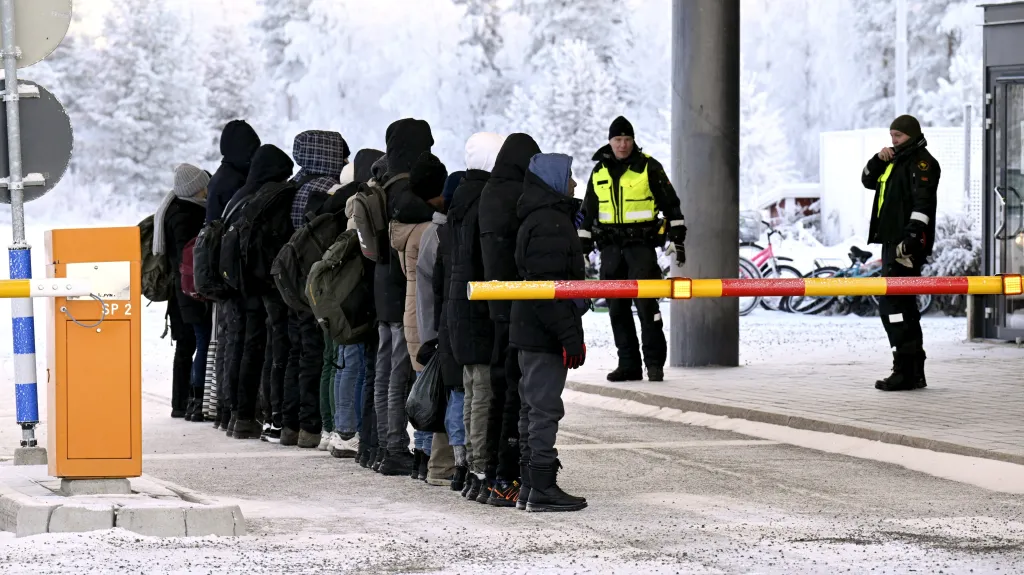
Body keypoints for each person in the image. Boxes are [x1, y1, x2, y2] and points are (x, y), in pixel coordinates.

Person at [579, 116, 686, 383]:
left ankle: (654, 365)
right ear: (610, 141)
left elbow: (671, 205)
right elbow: (587, 212)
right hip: (611, 250)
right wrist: (581, 245)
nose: (623, 144)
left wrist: (677, 237)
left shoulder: (649, 167)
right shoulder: (600, 171)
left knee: (648, 306)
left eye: (627, 139)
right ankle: (628, 365)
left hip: (641, 248)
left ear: (633, 140)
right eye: (618, 139)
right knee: (617, 310)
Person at [512, 152, 588, 513]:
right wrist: (569, 336)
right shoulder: (551, 224)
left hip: (530, 328)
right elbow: (550, 290)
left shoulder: (538, 218)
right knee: (543, 409)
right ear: (554, 181)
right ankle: (540, 486)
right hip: (543, 332)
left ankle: (531, 485)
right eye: (570, 176)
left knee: (532, 408)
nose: (574, 183)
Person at [479, 133, 541, 507]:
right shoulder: (518, 198)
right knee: (513, 395)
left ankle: (490, 473)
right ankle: (507, 475)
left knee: (496, 391)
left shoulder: (489, 193)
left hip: (492, 304)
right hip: (517, 306)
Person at [447, 131, 506, 503]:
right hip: (480, 305)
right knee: (482, 390)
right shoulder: (486, 200)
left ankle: (471, 465)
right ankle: (482, 468)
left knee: (471, 389)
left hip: (459, 306)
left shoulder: (460, 197)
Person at [861, 114, 939, 392]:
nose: (893, 140)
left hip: (906, 245)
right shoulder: (894, 160)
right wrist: (877, 160)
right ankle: (911, 370)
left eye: (899, 136)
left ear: (912, 135)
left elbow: (923, 203)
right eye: (891, 135)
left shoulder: (922, 163)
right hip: (892, 242)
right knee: (901, 306)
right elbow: (868, 181)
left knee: (894, 306)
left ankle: (907, 369)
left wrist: (911, 240)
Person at [374, 119, 434, 476]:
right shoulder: (404, 185)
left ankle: (383, 445)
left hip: (383, 286)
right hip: (401, 289)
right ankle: (394, 447)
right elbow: (417, 214)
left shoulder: (381, 176)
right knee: (400, 374)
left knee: (385, 372)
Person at [284, 130, 350, 448]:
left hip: (293, 282)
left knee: (299, 353)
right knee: (318, 355)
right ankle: (311, 425)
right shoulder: (325, 188)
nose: (344, 162)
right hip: (316, 283)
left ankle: (292, 423)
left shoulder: (297, 184)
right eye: (341, 155)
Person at [226, 145, 296, 440]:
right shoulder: (273, 197)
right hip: (261, 284)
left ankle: (235, 416)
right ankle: (245, 416)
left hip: (237, 281)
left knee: (239, 346)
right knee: (257, 349)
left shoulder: (241, 196)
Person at [390, 151, 449, 480]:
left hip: (412, 306)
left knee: (423, 383)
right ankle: (425, 456)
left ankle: (421, 458)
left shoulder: (403, 224)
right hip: (424, 310)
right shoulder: (429, 228)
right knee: (432, 388)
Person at [205, 120, 261, 430]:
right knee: (236, 340)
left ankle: (225, 409)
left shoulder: (221, 177)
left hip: (221, 269)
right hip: (234, 271)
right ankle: (230, 409)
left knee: (227, 340)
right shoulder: (235, 181)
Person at [154, 164, 211, 419]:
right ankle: (190, 402)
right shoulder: (187, 215)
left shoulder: (171, 209)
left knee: (185, 345)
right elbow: (188, 257)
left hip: (179, 291)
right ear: (196, 189)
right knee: (195, 343)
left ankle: (180, 404)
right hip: (189, 290)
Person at [417, 170, 463, 487]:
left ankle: (426, 459)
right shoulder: (442, 235)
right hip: (438, 325)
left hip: (428, 323)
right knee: (445, 395)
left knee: (434, 394)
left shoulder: (431, 232)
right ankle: (439, 464)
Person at [433, 171, 470, 491]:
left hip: (446, 320)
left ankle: (457, 461)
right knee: (471, 393)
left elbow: (435, 286)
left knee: (456, 392)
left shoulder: (442, 234)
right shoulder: (468, 230)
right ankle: (469, 461)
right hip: (468, 318)